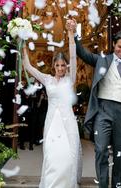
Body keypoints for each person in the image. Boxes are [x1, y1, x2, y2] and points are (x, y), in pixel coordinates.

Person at [67, 19, 121, 188]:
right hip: (103, 110)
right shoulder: (102, 60)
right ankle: (103, 185)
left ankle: (117, 185)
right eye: (119, 47)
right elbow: (82, 53)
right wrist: (75, 33)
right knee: (100, 150)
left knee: (120, 155)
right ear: (113, 44)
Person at [22, 28, 82, 188]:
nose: (61, 68)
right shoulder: (47, 79)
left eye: (63, 65)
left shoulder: (70, 80)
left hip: (67, 122)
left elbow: (74, 58)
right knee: (52, 156)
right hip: (51, 124)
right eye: (58, 65)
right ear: (53, 66)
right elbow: (29, 67)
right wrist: (23, 46)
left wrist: (70, 36)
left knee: (68, 157)